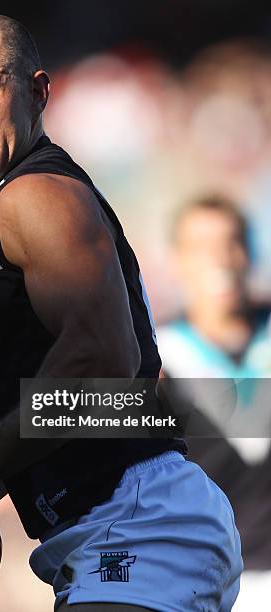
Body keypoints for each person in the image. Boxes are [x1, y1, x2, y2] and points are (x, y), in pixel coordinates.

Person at [0, 14, 242, 611]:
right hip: (113, 531)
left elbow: (108, 370)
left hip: (140, 524)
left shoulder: (37, 196)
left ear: (37, 92)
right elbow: (34, 395)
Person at [156, 194, 271, 611]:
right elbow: (56, 414)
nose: (220, 259)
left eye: (232, 242)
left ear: (250, 252)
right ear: (176, 260)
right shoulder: (153, 360)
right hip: (211, 587)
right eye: (202, 247)